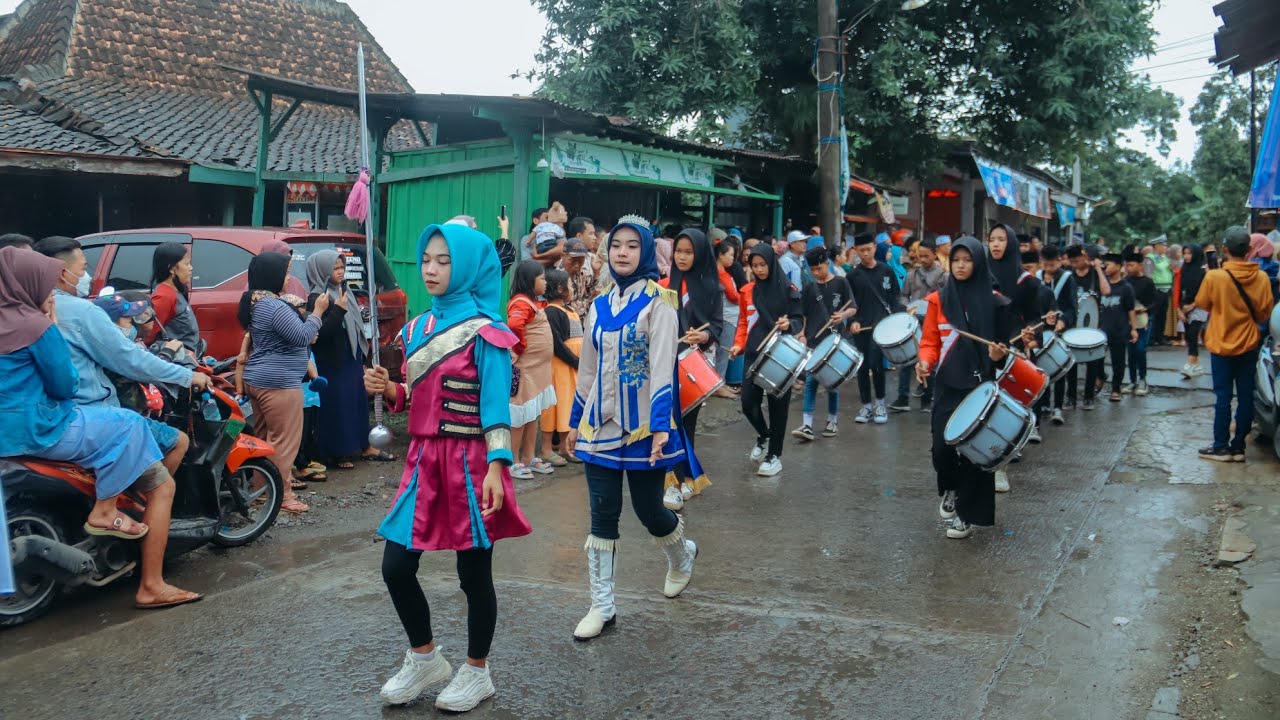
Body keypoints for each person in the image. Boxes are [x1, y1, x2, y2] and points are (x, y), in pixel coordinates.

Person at [363, 222, 532, 712]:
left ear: (468, 267)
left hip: (473, 462)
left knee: (473, 576)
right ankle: (425, 658)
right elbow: (415, 399)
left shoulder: (489, 332)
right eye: (427, 260)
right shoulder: (417, 328)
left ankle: (477, 671)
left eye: (444, 261)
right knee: (396, 566)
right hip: (423, 462)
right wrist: (387, 390)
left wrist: (499, 467)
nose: (432, 269)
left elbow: (496, 405)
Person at [0, 247, 203, 608]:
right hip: (43, 428)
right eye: (47, 284)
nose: (54, 292)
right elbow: (65, 384)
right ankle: (147, 578)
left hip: (10, 435)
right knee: (132, 430)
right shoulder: (38, 324)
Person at [565, 216, 697, 641]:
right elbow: (588, 368)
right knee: (602, 515)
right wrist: (574, 421)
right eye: (615, 245)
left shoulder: (662, 301)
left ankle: (681, 555)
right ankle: (602, 606)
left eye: (631, 246)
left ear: (644, 252)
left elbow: (662, 368)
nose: (621, 252)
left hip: (643, 429)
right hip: (599, 427)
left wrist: (661, 428)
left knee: (650, 512)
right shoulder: (599, 304)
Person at [34, 236, 203, 482]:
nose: (87, 276)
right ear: (62, 273)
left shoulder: (26, 310)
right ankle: (126, 510)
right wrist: (186, 375)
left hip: (53, 419)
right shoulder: (81, 312)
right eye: (83, 268)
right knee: (166, 475)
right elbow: (130, 359)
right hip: (90, 416)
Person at [916, 237, 1025, 538]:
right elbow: (929, 343)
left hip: (980, 388)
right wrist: (925, 362)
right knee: (942, 449)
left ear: (978, 263)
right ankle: (950, 488)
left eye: (967, 260)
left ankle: (965, 514)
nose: (961, 265)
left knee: (974, 455)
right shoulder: (938, 301)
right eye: (956, 259)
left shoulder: (995, 303)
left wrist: (997, 356)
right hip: (947, 386)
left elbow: (1004, 352)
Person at [238, 252, 324, 514]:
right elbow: (301, 336)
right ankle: (282, 495)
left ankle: (261, 492)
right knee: (283, 443)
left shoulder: (257, 302)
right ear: (272, 275)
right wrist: (317, 312)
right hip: (278, 383)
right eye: (285, 272)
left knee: (264, 440)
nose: (288, 278)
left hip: (260, 379)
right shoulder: (272, 306)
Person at [1195, 226, 1276, 462]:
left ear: (1224, 249)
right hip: (1249, 343)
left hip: (1221, 344)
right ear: (1249, 249)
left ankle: (1220, 447)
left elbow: (1202, 303)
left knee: (1222, 397)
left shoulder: (1214, 276)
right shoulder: (1261, 277)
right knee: (1245, 396)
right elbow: (1264, 314)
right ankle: (1239, 447)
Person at [304, 250, 390, 468]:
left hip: (350, 355)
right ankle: (339, 452)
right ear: (322, 271)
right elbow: (319, 334)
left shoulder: (345, 291)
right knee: (338, 405)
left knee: (357, 401)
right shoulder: (317, 297)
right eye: (335, 268)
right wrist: (339, 311)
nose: (340, 272)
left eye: (342, 267)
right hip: (331, 361)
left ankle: (363, 444)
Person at [659, 228, 722, 509]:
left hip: (692, 363)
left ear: (699, 254)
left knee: (687, 422)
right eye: (678, 251)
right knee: (666, 420)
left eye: (688, 252)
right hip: (663, 361)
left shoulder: (711, 287)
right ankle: (671, 479)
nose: (682, 257)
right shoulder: (663, 283)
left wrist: (705, 336)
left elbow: (717, 325)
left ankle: (685, 478)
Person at [729, 243, 803, 476]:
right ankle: (764, 434)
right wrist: (738, 344)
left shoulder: (788, 289)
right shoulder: (747, 291)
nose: (760, 270)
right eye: (755, 265)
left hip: (780, 354)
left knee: (777, 406)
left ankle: (774, 455)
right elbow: (744, 322)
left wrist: (789, 323)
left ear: (772, 263)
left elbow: (798, 319)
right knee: (748, 403)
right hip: (753, 353)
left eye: (763, 265)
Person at [791, 246, 855, 441]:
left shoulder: (841, 283)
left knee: (832, 382)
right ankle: (807, 424)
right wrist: (802, 333)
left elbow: (852, 307)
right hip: (814, 339)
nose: (816, 273)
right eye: (813, 270)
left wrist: (842, 315)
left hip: (834, 339)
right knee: (810, 380)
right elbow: (804, 313)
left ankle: (832, 420)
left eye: (819, 268)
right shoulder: (810, 287)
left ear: (828, 264)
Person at [507, 260, 557, 480]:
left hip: (539, 370)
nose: (546, 283)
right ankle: (513, 458)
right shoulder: (521, 302)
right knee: (519, 414)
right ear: (530, 280)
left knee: (532, 413)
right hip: (526, 369)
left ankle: (529, 456)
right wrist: (522, 347)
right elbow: (514, 326)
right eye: (542, 278)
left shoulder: (533, 302)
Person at [847, 232, 903, 425]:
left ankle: (880, 403)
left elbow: (895, 297)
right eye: (861, 250)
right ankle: (866, 405)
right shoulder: (852, 276)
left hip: (882, 327)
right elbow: (849, 303)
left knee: (877, 364)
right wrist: (852, 320)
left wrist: (895, 318)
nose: (865, 254)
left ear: (874, 247)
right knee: (862, 367)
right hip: (861, 327)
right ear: (855, 251)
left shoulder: (886, 271)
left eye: (868, 249)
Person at [892, 237, 945, 412]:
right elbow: (903, 295)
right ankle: (902, 397)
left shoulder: (943, 276)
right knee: (907, 359)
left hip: (933, 321)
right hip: (913, 320)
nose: (922, 259)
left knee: (930, 361)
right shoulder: (911, 275)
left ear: (934, 254)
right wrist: (906, 306)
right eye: (920, 256)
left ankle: (927, 399)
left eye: (926, 256)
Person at [540, 269, 581, 467]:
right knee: (557, 406)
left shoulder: (570, 310)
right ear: (559, 288)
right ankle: (548, 448)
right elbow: (556, 343)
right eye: (570, 285)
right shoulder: (552, 311)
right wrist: (575, 360)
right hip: (560, 366)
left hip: (571, 367)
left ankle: (565, 446)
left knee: (568, 404)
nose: (572, 289)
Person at [1066, 243, 1111, 409]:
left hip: (1093, 324)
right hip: (1073, 325)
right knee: (1072, 361)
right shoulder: (1070, 276)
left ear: (1086, 257)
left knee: (1092, 360)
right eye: (1072, 262)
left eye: (1077, 260)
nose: (1075, 264)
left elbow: (1106, 291)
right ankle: (1070, 396)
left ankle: (1089, 397)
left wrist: (1098, 268)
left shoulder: (1095, 275)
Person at [1039, 246, 1076, 424]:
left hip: (1060, 330)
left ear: (1059, 261)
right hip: (1041, 329)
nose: (1049, 268)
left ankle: (1058, 406)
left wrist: (1064, 321)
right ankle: (1044, 403)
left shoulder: (1067, 279)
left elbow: (1072, 307)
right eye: (1046, 265)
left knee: (1059, 369)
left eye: (1052, 265)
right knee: (1042, 368)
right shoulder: (1037, 278)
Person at [1098, 252, 1137, 402]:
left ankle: (1116, 388)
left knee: (1118, 361)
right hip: (1102, 329)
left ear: (1119, 266)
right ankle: (1101, 376)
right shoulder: (1101, 285)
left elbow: (1131, 309)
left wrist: (1133, 328)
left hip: (1119, 329)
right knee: (1097, 359)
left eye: (1109, 264)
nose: (1106, 267)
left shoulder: (1126, 288)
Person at [150, 241, 201, 352]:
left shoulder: (176, 291)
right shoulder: (164, 297)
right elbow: (150, 336)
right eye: (187, 264)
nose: (191, 268)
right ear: (172, 269)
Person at [1123, 248, 1157, 396]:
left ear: (1140, 266)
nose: (1128, 268)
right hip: (1129, 322)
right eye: (1127, 265)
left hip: (1143, 320)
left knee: (1140, 350)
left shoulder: (1148, 282)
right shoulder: (1126, 282)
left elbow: (1155, 302)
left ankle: (1143, 379)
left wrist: (1145, 309)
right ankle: (1132, 380)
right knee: (1130, 352)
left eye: (1131, 265)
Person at [713, 236, 744, 396]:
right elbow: (733, 296)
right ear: (721, 255)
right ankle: (719, 384)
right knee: (723, 351)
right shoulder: (721, 273)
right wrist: (743, 296)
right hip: (727, 317)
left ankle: (720, 382)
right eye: (730, 255)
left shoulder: (723, 272)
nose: (732, 258)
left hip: (729, 316)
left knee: (723, 351)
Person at [1178, 244, 1209, 378]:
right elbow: (1178, 290)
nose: (1186, 256)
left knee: (1193, 332)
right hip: (1184, 305)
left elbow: (1205, 292)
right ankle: (1197, 365)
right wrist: (1180, 308)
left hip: (1199, 306)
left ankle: (1190, 363)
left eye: (1189, 253)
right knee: (1190, 336)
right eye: (1185, 253)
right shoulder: (1183, 269)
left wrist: (1192, 305)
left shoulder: (1203, 272)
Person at [560, 234, 598, 319]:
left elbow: (594, 298)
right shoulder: (556, 278)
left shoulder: (584, 274)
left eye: (581, 260)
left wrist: (596, 273)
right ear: (563, 256)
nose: (577, 265)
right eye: (572, 260)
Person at [1148, 237, 1173, 345]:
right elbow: (1148, 274)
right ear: (1156, 245)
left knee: (1163, 314)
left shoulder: (1164, 258)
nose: (1165, 247)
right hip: (1156, 289)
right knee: (1154, 313)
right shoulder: (1150, 258)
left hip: (1166, 289)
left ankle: (1160, 337)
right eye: (1163, 245)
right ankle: (1151, 337)